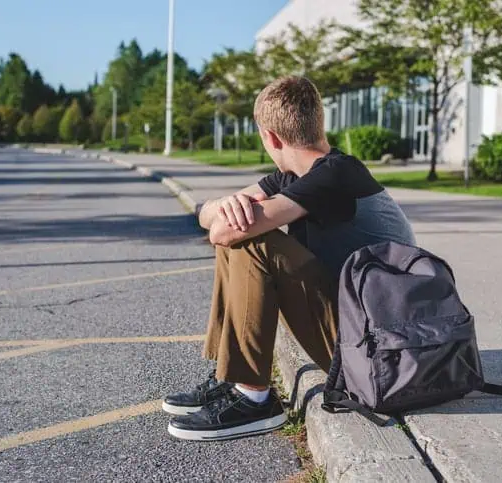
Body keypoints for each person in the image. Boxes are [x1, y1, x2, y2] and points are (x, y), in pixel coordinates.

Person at [163, 76, 416, 441]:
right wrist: (224, 204)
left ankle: (254, 398)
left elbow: (223, 232)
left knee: (253, 241)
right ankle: (229, 376)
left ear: (270, 137)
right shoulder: (297, 176)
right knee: (243, 231)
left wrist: (229, 216)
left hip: (380, 353)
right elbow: (206, 215)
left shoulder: (335, 176)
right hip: (364, 337)